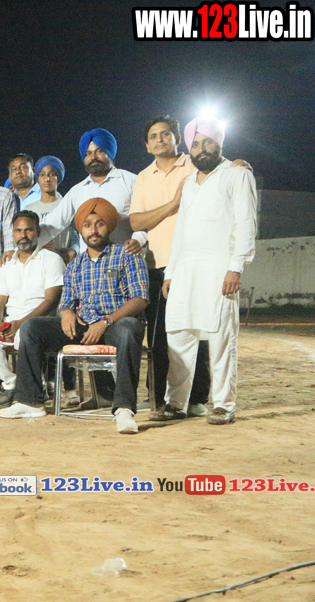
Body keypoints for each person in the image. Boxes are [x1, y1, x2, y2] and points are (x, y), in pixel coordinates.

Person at [0, 199, 148, 434]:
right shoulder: (76, 265)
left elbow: (140, 299)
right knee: (32, 328)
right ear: (81, 230)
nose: (93, 230)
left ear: (109, 227)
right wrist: (66, 312)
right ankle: (30, 401)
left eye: (99, 224)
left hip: (116, 324)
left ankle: (124, 409)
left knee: (129, 328)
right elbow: (65, 301)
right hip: (83, 327)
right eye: (87, 225)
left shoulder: (126, 255)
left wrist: (106, 321)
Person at [158, 117, 258, 426]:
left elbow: (247, 224)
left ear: (220, 144)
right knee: (178, 336)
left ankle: (224, 405)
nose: (202, 149)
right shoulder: (189, 183)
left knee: (221, 339)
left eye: (208, 142)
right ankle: (175, 403)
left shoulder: (237, 174)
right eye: (196, 144)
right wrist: (170, 272)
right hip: (185, 271)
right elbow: (181, 230)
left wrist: (236, 267)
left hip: (219, 269)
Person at [130, 115, 212, 415]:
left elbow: (222, 172)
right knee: (159, 336)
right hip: (156, 266)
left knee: (194, 332)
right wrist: (172, 206)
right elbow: (136, 221)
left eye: (165, 134)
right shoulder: (143, 177)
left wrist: (238, 164)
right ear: (147, 145)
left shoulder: (195, 165)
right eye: (153, 136)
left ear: (178, 138)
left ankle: (197, 398)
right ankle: (157, 396)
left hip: (192, 263)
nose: (160, 140)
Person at [0, 211, 65, 408]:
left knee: (26, 333)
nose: (23, 235)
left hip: (39, 322)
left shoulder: (51, 259)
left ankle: (31, 388)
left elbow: (51, 300)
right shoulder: (6, 264)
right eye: (18, 231)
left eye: (28, 230)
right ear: (12, 233)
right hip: (12, 321)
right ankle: (11, 383)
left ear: (38, 232)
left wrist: (21, 324)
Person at [34, 128, 146, 254]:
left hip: (124, 258)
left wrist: (139, 239)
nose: (93, 157)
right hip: (88, 263)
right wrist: (24, 244)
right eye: (88, 153)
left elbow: (146, 218)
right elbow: (52, 225)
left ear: (109, 152)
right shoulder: (77, 191)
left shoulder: (131, 182)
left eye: (99, 151)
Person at [28, 155, 77, 255]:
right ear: (37, 179)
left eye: (52, 174)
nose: (47, 179)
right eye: (42, 175)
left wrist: (73, 251)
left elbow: (76, 235)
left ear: (58, 177)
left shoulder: (67, 206)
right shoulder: (29, 209)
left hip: (63, 261)